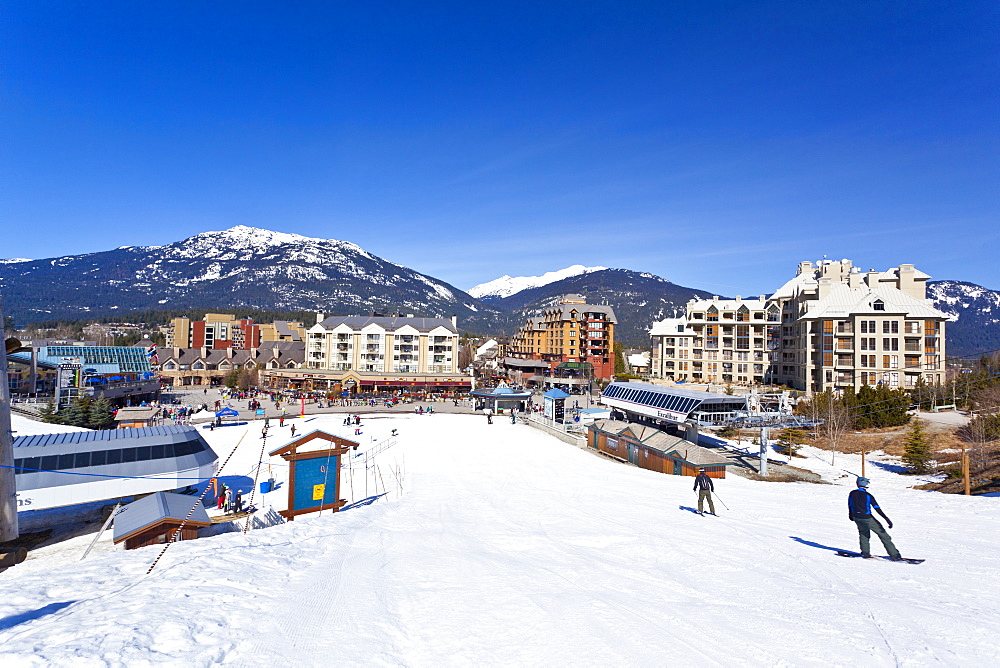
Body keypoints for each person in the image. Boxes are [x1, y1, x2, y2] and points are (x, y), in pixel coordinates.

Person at [849, 477, 902, 560]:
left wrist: (851, 515)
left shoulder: (852, 493)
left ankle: (865, 552)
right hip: (867, 518)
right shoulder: (868, 495)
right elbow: (877, 508)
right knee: (883, 535)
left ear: (857, 484)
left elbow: (850, 504)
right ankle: (894, 554)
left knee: (863, 534)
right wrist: (886, 519)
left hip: (856, 517)